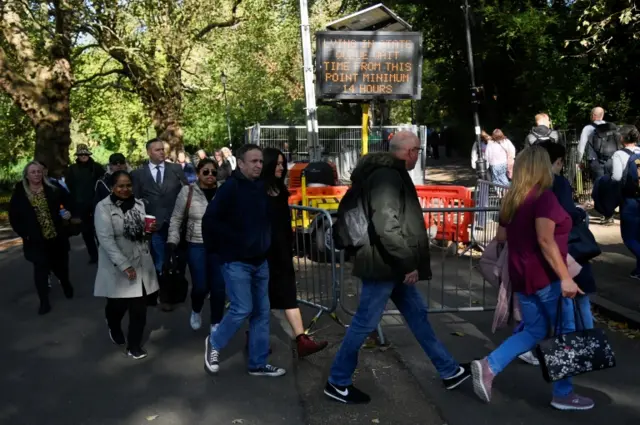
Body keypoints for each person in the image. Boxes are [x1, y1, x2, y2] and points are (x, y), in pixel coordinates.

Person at [324, 131, 470, 405]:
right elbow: (386, 225)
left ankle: (449, 370)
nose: (418, 154)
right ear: (407, 152)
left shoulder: (384, 173)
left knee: (417, 316)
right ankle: (337, 380)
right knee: (364, 323)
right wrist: (407, 263)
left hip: (387, 263)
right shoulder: (387, 176)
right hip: (385, 265)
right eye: (416, 149)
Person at [470, 145, 593, 411]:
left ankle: (489, 366)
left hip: (521, 276)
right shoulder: (544, 198)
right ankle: (563, 393)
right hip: (546, 276)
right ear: (542, 167)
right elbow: (546, 240)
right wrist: (566, 278)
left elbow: (502, 237)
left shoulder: (512, 199)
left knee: (535, 330)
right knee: (564, 333)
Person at [202, 144, 286, 377]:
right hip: (235, 260)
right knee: (242, 308)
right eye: (254, 161)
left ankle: (257, 364)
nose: (259, 165)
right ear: (240, 163)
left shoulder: (261, 187)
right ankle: (215, 342)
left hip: (260, 261)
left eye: (261, 161)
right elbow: (210, 222)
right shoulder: (230, 188)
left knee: (261, 312)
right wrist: (233, 244)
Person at [261, 148, 328, 357]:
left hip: (282, 252)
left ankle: (301, 340)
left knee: (288, 295)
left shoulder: (280, 190)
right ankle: (255, 339)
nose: (282, 168)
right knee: (262, 300)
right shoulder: (258, 190)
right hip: (264, 253)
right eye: (278, 164)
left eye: (283, 163)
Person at [95, 170, 159, 359]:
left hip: (140, 262)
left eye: (128, 185)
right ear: (113, 187)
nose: (125, 189)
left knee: (139, 308)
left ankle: (134, 346)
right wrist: (124, 265)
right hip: (117, 264)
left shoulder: (139, 204)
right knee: (118, 305)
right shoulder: (103, 207)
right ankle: (113, 323)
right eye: (120, 186)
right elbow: (105, 240)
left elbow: (141, 235)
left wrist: (150, 231)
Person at [9, 161, 74, 315]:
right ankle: (44, 301)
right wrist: (24, 233)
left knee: (60, 266)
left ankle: (65, 283)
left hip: (56, 236)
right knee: (40, 271)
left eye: (39, 171)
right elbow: (14, 217)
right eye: (33, 172)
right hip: (36, 240)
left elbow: (69, 202)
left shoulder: (53, 188)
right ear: (26, 175)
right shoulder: (20, 193)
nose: (37, 174)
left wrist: (68, 213)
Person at [167, 159, 225, 330]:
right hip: (196, 245)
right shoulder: (188, 191)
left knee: (219, 288)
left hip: (219, 246)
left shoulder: (223, 191)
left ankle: (216, 322)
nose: (210, 175)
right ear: (198, 173)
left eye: (213, 172)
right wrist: (172, 241)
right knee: (200, 287)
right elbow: (176, 218)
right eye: (205, 172)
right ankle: (196, 309)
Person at [131, 139, 187, 310]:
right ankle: (164, 297)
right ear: (148, 152)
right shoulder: (139, 174)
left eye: (163, 149)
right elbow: (136, 201)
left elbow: (186, 191)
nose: (161, 152)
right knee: (160, 261)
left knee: (178, 259)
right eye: (157, 150)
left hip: (176, 224)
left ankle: (176, 292)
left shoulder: (176, 170)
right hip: (154, 226)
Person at [66, 143, 104, 263]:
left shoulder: (96, 167)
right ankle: (93, 256)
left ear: (88, 154)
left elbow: (103, 184)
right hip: (80, 205)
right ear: (77, 156)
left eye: (85, 154)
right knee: (87, 233)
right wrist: (73, 209)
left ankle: (105, 255)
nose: (83, 156)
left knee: (101, 231)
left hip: (97, 204)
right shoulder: (71, 169)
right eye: (81, 154)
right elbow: (69, 188)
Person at [610, 126, 640, 279]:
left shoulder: (619, 154)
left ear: (622, 138)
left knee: (629, 236)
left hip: (630, 200)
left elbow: (616, 177)